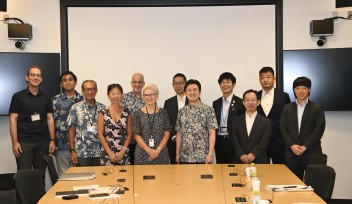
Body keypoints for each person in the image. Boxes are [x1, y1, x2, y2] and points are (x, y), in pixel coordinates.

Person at [9, 66, 56, 177]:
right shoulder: (18, 96)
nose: (36, 77)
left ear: (41, 79)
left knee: (40, 176)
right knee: (24, 177)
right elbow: (13, 119)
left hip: (43, 142)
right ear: (27, 78)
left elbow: (50, 119)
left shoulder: (46, 96)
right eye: (32, 75)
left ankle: (40, 195)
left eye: (38, 75)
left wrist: (52, 140)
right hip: (24, 143)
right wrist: (15, 142)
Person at [280, 76, 326, 180]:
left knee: (315, 183)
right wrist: (292, 145)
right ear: (294, 90)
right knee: (293, 184)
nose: (301, 91)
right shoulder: (287, 108)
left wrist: (305, 146)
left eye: (304, 88)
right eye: (297, 88)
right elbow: (283, 128)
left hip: (311, 152)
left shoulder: (317, 107)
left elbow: (319, 129)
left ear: (309, 90)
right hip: (292, 154)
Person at [175, 79, 218, 164]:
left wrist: (210, 154)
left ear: (200, 92)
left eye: (195, 90)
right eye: (189, 90)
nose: (192, 92)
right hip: (185, 157)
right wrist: (177, 153)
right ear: (185, 93)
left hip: (203, 157)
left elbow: (212, 133)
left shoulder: (208, 110)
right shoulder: (182, 111)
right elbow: (179, 133)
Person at [257, 67, 291, 164]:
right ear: (259, 80)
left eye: (268, 77)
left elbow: (288, 119)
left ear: (274, 79)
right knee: (261, 172)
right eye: (262, 77)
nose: (265, 80)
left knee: (281, 172)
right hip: (260, 142)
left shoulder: (284, 96)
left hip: (278, 141)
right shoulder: (255, 96)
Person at [67, 80, 105, 166]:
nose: (90, 92)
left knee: (99, 178)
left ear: (96, 90)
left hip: (99, 152)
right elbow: (71, 130)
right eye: (87, 89)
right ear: (82, 91)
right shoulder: (75, 107)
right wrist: (72, 150)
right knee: (83, 178)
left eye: (92, 89)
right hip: (81, 152)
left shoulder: (102, 108)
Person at [52, 71, 83, 175]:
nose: (68, 82)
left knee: (81, 176)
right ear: (61, 84)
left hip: (81, 146)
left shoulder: (83, 100)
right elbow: (50, 122)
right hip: (62, 145)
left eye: (70, 80)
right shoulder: (55, 100)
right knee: (65, 177)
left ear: (75, 82)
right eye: (64, 80)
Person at [132, 84, 171, 165]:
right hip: (142, 153)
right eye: (146, 95)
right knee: (142, 177)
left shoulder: (164, 112)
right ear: (143, 96)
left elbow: (167, 133)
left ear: (156, 96)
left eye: (151, 95)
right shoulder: (137, 114)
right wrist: (149, 150)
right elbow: (136, 135)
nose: (148, 97)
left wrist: (158, 150)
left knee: (162, 177)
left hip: (161, 153)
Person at [232, 89, 271, 164]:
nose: (250, 102)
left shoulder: (266, 121)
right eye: (247, 100)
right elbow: (234, 139)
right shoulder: (236, 120)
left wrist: (253, 154)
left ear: (258, 102)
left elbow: (265, 141)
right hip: (239, 159)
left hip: (259, 159)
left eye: (253, 100)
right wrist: (241, 154)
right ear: (243, 102)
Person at [212, 72, 245, 164]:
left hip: (234, 142)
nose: (225, 85)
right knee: (221, 169)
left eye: (228, 82)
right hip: (219, 141)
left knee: (234, 169)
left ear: (233, 84)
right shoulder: (216, 103)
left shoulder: (240, 102)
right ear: (219, 85)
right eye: (222, 82)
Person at [98, 84, 132, 166]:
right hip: (107, 152)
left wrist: (123, 151)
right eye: (112, 93)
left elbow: (130, 134)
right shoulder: (102, 112)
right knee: (107, 178)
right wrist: (109, 152)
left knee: (124, 177)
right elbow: (100, 134)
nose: (115, 96)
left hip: (123, 152)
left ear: (122, 95)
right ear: (108, 95)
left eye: (118, 93)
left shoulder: (127, 112)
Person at [163, 73, 188, 164]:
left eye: (181, 83)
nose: (178, 86)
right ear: (173, 85)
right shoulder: (168, 102)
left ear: (186, 84)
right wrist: (174, 137)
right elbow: (166, 122)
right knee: (175, 173)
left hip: (191, 144)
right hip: (173, 143)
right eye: (175, 83)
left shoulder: (193, 100)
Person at [121, 73, 145, 164]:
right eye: (135, 82)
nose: (137, 85)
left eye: (140, 82)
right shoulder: (124, 98)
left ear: (143, 83)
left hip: (144, 141)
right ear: (131, 83)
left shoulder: (148, 97)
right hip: (129, 140)